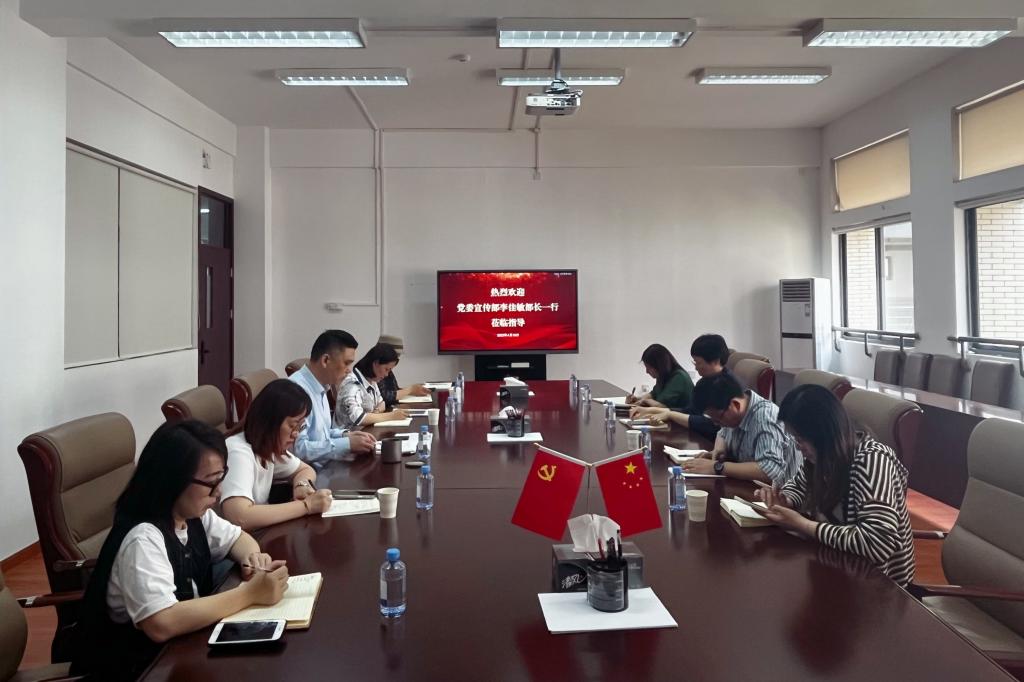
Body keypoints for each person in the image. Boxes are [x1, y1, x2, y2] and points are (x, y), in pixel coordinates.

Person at [71, 421, 289, 680]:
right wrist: (250, 594)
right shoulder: (143, 538)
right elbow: (162, 623)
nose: (218, 492)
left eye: (221, 478)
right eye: (211, 482)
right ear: (172, 481)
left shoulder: (192, 513)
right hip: (137, 669)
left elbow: (238, 538)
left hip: (186, 651)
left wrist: (252, 558)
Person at [755, 384, 915, 585]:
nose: (798, 446)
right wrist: (785, 500)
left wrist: (802, 524)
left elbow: (878, 543)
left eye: (800, 439)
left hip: (879, 585)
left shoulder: (872, 460)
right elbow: (798, 486)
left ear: (823, 434)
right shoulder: (822, 457)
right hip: (837, 564)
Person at [220, 379, 334, 531]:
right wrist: (306, 506)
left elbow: (305, 470)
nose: (296, 434)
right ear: (270, 421)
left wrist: (301, 485)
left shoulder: (266, 448)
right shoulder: (238, 452)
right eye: (293, 426)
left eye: (300, 427)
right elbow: (240, 516)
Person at [682, 371, 799, 484]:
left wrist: (717, 467)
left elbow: (769, 470)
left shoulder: (765, 418)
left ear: (735, 405)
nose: (717, 424)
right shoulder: (734, 412)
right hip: (753, 487)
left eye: (718, 419)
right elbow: (722, 433)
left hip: (784, 494)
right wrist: (718, 451)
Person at [289, 329, 376, 465]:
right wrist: (347, 444)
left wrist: (345, 435)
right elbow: (299, 450)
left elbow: (320, 433)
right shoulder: (295, 391)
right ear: (325, 360)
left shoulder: (322, 385)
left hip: (326, 464)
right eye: (346, 363)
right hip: (312, 472)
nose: (349, 370)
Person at [630, 334, 733, 439]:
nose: (696, 368)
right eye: (694, 362)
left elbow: (711, 425)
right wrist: (650, 411)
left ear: (716, 361)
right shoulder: (703, 383)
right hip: (696, 435)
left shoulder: (728, 386)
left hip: (708, 440)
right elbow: (690, 411)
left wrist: (670, 414)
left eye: (698, 363)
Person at [336, 343, 410, 428]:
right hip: (347, 433)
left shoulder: (372, 381)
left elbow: (382, 403)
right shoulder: (352, 384)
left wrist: (375, 413)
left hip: (366, 430)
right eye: (386, 369)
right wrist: (391, 416)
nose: (387, 374)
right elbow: (358, 418)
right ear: (375, 363)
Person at [624, 343, 694, 411]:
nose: (647, 371)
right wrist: (637, 399)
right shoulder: (663, 376)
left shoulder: (679, 378)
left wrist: (645, 401)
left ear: (659, 366)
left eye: (649, 367)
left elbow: (663, 407)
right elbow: (653, 394)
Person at [376, 334, 430, 409]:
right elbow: (384, 396)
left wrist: (413, 391)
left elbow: (394, 390)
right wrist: (410, 389)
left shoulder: (386, 368)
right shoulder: (376, 369)